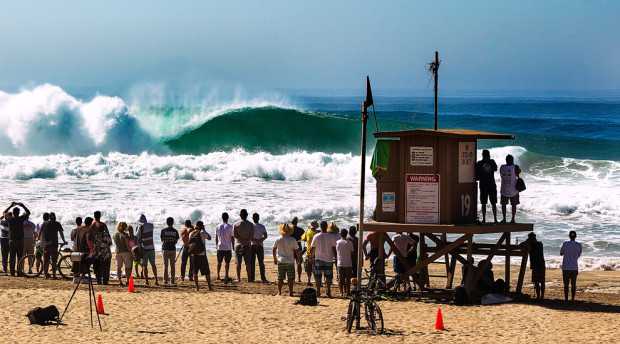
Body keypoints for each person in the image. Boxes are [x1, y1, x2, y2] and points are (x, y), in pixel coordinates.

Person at [310, 221, 337, 297]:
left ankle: (318, 291)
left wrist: (311, 256)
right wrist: (335, 256)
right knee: (328, 276)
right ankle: (328, 291)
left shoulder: (316, 236)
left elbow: (312, 248)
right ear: (326, 227)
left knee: (318, 276)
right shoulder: (331, 236)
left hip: (318, 258)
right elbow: (334, 248)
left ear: (320, 227)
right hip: (328, 258)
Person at [2, 202, 30, 276]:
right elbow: (28, 213)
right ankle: (19, 272)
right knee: (20, 257)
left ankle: (12, 272)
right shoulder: (21, 219)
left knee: (12, 257)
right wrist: (23, 205)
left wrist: (10, 205)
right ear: (18, 213)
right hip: (20, 240)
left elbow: (4, 212)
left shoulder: (10, 219)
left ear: (13, 213)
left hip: (12, 241)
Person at [272, 223, 300, 296]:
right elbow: (297, 250)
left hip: (281, 260)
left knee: (280, 277)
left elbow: (274, 249)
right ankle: (290, 293)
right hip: (290, 261)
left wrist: (275, 258)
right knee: (290, 278)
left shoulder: (278, 239)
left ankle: (279, 292)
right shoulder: (292, 239)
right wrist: (298, 260)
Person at [39, 212, 67, 279]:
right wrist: (64, 241)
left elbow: (40, 232)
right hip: (54, 245)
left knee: (45, 261)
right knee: (54, 261)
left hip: (46, 245)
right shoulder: (57, 223)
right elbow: (61, 233)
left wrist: (37, 238)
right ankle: (54, 276)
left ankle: (46, 276)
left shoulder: (44, 223)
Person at [475, 149, 499, 223]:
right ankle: (495, 219)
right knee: (493, 203)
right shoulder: (492, 162)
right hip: (491, 184)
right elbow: (495, 168)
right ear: (489, 155)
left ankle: (484, 219)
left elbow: (476, 173)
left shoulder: (479, 163)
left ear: (482, 155)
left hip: (483, 185)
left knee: (483, 203)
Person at [521, 232, 545, 301]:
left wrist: (526, 241)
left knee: (536, 281)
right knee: (542, 281)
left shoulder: (530, 245)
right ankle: (542, 296)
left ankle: (538, 297)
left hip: (535, 265)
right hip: (542, 264)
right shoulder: (540, 244)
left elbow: (521, 245)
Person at [189, 221, 213, 291]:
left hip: (193, 254)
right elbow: (209, 238)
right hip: (202, 254)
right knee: (206, 271)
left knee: (195, 272)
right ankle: (209, 287)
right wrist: (204, 230)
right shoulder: (203, 233)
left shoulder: (191, 233)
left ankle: (197, 287)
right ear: (202, 226)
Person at [233, 209, 254, 282]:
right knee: (248, 262)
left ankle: (238, 278)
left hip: (239, 244)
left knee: (238, 262)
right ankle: (249, 278)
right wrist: (246, 242)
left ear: (240, 215)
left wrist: (242, 241)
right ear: (247, 215)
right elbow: (251, 236)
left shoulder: (236, 224)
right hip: (248, 245)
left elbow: (235, 235)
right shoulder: (251, 224)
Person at [91, 211, 112, 285]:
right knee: (106, 268)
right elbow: (109, 241)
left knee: (97, 267)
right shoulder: (103, 225)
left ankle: (99, 281)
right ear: (100, 216)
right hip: (106, 253)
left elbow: (90, 237)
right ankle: (105, 281)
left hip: (97, 252)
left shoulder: (92, 225)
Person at [136, 214, 158, 285]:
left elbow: (137, 235)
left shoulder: (140, 227)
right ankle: (156, 280)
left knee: (145, 265)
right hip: (151, 248)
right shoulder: (151, 225)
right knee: (153, 265)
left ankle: (147, 281)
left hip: (144, 248)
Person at [499, 154, 522, 223]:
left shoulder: (502, 167)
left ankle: (504, 219)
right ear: (513, 160)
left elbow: (501, 175)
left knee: (503, 205)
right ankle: (512, 219)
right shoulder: (515, 167)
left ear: (506, 160)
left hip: (504, 189)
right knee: (513, 205)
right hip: (513, 189)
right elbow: (519, 172)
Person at [560, 231, 582, 301]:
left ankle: (566, 298)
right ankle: (572, 298)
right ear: (575, 236)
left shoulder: (565, 244)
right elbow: (578, 255)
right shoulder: (579, 245)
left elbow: (561, 253)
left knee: (566, 284)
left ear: (569, 236)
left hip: (566, 267)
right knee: (573, 284)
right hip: (574, 267)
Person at [72, 217, 94, 283]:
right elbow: (88, 240)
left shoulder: (79, 228)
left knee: (76, 263)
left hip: (76, 248)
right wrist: (91, 248)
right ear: (91, 223)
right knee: (84, 263)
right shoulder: (89, 230)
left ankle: (75, 278)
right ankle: (83, 278)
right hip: (84, 249)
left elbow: (73, 237)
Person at [215, 212, 234, 282]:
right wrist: (233, 246)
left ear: (222, 218)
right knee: (227, 262)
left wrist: (216, 245)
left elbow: (216, 237)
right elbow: (232, 238)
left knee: (219, 261)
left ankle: (218, 275)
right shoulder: (230, 227)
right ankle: (226, 275)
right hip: (227, 247)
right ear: (227, 218)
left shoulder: (218, 226)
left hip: (220, 246)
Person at [160, 217, 180, 284]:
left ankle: (165, 280)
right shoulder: (175, 231)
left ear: (167, 222)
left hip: (165, 248)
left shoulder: (163, 230)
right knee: (172, 265)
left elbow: (162, 240)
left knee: (165, 265)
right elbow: (176, 241)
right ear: (173, 222)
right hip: (172, 248)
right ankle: (172, 280)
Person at [336, 228, 354, 297]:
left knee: (340, 278)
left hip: (340, 262)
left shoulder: (337, 242)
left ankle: (341, 292)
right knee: (347, 278)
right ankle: (348, 292)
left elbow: (337, 251)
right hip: (348, 263)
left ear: (341, 234)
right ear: (346, 235)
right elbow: (352, 252)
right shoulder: (350, 243)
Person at [301, 220, 319, 286]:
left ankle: (308, 280)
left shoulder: (307, 232)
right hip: (316, 253)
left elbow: (303, 238)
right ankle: (316, 281)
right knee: (316, 269)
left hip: (308, 252)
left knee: (308, 269)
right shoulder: (317, 233)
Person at [251, 213, 268, 283]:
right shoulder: (262, 226)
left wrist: (255, 241)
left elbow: (250, 237)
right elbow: (265, 236)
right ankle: (263, 278)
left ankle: (252, 278)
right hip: (260, 245)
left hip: (252, 245)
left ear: (252, 218)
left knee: (252, 262)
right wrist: (259, 241)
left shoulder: (251, 226)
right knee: (261, 262)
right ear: (258, 218)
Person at [290, 216, 305, 283]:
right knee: (298, 263)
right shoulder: (301, 230)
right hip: (298, 247)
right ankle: (299, 278)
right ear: (297, 222)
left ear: (291, 222)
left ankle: (292, 278)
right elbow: (304, 239)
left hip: (290, 247)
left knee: (291, 264)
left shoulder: (289, 230)